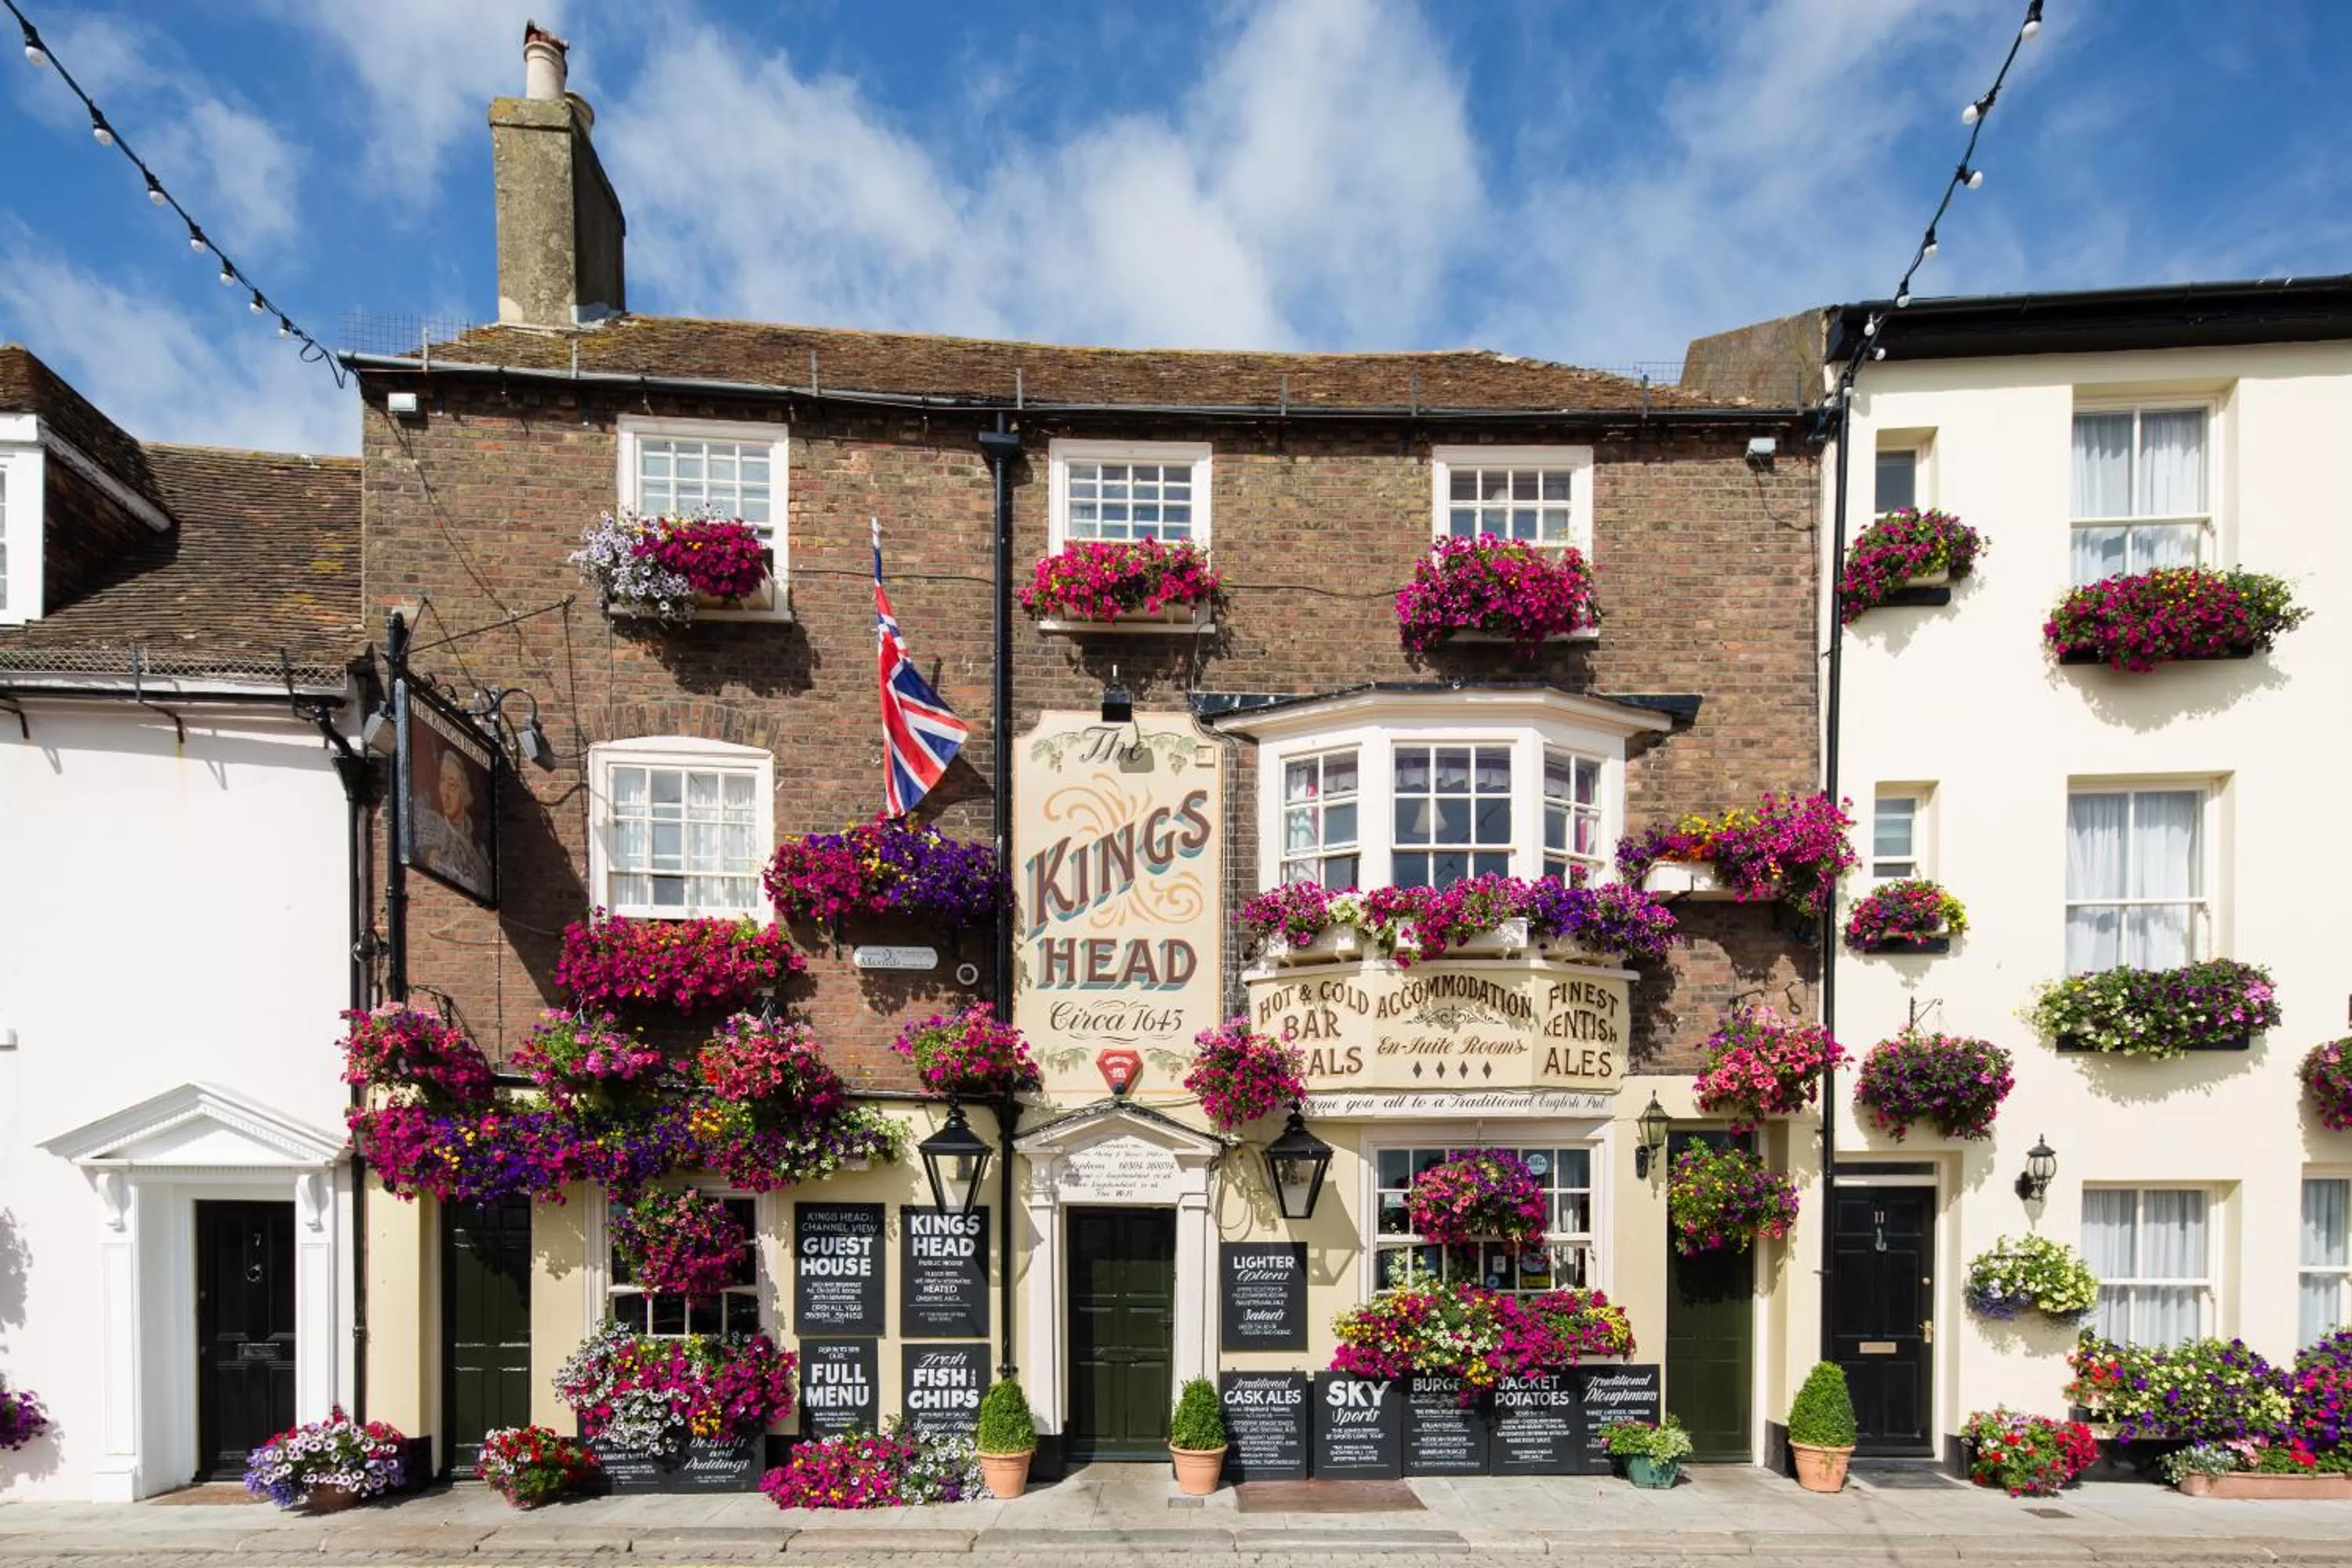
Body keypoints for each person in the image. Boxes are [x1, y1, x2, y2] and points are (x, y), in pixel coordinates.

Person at [411, 729, 493, 895]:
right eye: (442, 781)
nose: (445, 793)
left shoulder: (480, 847)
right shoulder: (436, 829)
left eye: (452, 785)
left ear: (465, 791)